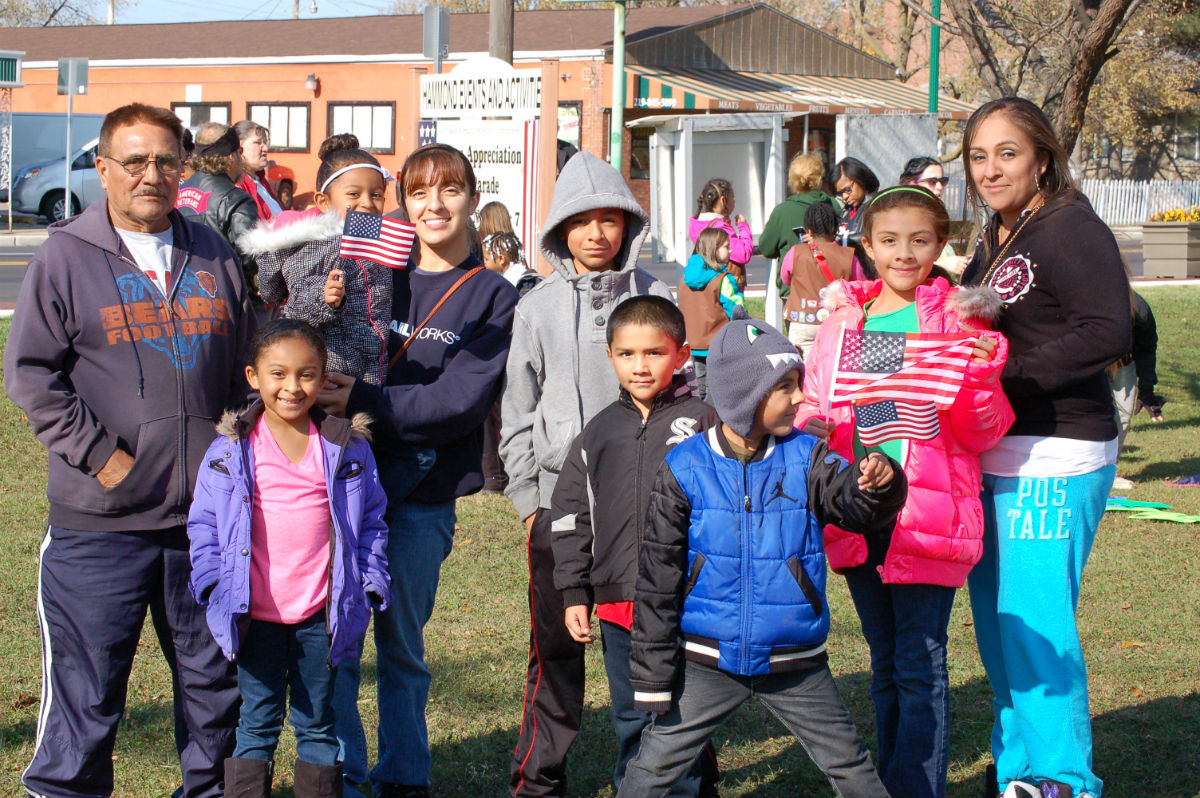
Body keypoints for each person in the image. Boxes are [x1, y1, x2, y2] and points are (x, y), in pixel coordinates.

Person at [5, 102, 256, 798]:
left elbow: (247, 365)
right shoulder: (64, 256)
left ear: (183, 167)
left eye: (166, 160)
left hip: (202, 526)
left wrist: (235, 454)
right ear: (103, 168)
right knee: (88, 694)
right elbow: (31, 375)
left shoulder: (212, 251)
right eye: (135, 161)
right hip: (100, 525)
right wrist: (100, 455)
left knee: (214, 692)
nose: (152, 174)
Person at [619, 319, 907, 798]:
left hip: (797, 662)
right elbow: (657, 581)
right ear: (745, 395)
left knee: (851, 767)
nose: (799, 399)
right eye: (786, 388)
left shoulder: (809, 456)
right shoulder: (685, 466)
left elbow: (852, 507)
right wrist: (653, 680)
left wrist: (880, 482)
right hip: (707, 662)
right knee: (651, 770)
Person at [796, 186, 1015, 798]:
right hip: (858, 511)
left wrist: (979, 375)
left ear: (940, 245)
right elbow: (819, 409)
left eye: (920, 241)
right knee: (884, 664)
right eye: (889, 240)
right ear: (866, 245)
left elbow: (983, 430)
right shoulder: (844, 325)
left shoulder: (959, 325)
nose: (904, 253)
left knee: (921, 666)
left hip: (928, 514)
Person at [319, 142, 519, 798]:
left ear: (470, 197)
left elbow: (456, 404)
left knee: (400, 650)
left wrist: (361, 398)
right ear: (401, 200)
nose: (435, 205)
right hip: (337, 488)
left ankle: (403, 780)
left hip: (421, 497)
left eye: (451, 190)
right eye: (419, 191)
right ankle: (343, 777)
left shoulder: (491, 295)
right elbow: (297, 297)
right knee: (337, 646)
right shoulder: (371, 255)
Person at [960, 97, 1132, 798]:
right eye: (977, 155)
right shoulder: (1002, 232)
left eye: (1007, 153)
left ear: (1042, 157)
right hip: (995, 452)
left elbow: (1107, 331)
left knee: (1034, 626)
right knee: (1001, 632)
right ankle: (1021, 773)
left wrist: (1008, 376)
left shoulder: (1069, 227)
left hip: (1057, 452)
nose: (990, 169)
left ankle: (1063, 778)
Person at [500, 150, 677, 798]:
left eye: (610, 219)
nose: (597, 233)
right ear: (559, 230)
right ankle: (539, 781)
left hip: (647, 512)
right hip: (559, 511)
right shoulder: (538, 306)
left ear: (628, 224)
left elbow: (685, 394)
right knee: (556, 658)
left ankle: (677, 775)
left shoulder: (655, 294)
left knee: (653, 655)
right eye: (582, 221)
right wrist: (530, 501)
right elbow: (517, 407)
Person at [187, 319, 390, 797]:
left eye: (306, 374)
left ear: (323, 378)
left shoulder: (348, 450)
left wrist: (369, 580)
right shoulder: (229, 452)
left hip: (321, 617)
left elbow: (373, 524)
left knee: (318, 726)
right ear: (253, 377)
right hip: (253, 616)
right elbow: (203, 528)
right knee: (256, 724)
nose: (292, 387)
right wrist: (213, 583)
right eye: (278, 374)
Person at [552, 296, 721, 796]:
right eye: (627, 354)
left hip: (689, 603)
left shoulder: (709, 424)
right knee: (630, 718)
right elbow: (570, 517)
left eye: (654, 352)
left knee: (681, 719)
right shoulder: (597, 432)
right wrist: (574, 592)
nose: (640, 366)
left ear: (682, 354)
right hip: (619, 603)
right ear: (610, 356)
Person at [241, 141, 395, 385]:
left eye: (376, 195)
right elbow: (295, 307)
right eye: (354, 194)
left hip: (371, 371)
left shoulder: (378, 245)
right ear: (324, 202)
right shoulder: (320, 246)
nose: (367, 202)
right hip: (330, 376)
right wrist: (323, 298)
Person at [176, 122, 262, 298]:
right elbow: (250, 257)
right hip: (224, 296)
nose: (241, 159)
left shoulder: (177, 193)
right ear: (231, 157)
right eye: (240, 152)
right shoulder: (237, 200)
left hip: (183, 293)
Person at [779, 202, 859, 355]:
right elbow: (858, 284)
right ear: (835, 228)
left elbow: (785, 278)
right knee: (832, 367)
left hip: (801, 320)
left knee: (803, 372)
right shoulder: (849, 255)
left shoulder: (796, 252)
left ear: (808, 230)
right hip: (836, 321)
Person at [677, 226, 747, 400]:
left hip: (694, 341)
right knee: (717, 387)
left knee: (700, 386)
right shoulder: (724, 279)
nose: (730, 250)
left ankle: (700, 416)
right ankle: (716, 421)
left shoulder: (686, 277)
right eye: (726, 246)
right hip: (719, 341)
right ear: (714, 249)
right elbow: (736, 309)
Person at [1109, 290, 1164, 490]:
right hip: (1093, 364)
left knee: (1122, 416)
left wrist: (1147, 391)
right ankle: (1087, 471)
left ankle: (1109, 473)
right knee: (1096, 416)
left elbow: (1147, 346)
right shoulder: (1087, 299)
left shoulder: (1139, 308)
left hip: (1124, 365)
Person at [759, 153, 839, 266]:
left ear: (792, 181)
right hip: (830, 278)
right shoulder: (833, 205)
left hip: (793, 280)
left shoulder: (782, 211)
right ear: (819, 180)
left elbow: (766, 248)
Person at [899, 157, 969, 278]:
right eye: (932, 181)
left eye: (943, 181)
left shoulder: (936, 215)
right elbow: (899, 262)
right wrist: (942, 264)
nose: (939, 186)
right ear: (911, 183)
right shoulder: (900, 216)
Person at [688, 178, 754, 288]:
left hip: (707, 287)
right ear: (723, 200)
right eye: (733, 199)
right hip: (727, 291)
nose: (734, 202)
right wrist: (743, 227)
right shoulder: (720, 229)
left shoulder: (696, 225)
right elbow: (743, 254)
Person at [235, 120, 283, 220]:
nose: (265, 148)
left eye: (265, 143)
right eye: (257, 142)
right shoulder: (236, 185)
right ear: (239, 148)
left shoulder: (261, 181)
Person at [830, 157, 879, 247]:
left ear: (860, 179)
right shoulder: (846, 211)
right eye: (840, 193)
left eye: (848, 189)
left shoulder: (877, 207)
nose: (845, 196)